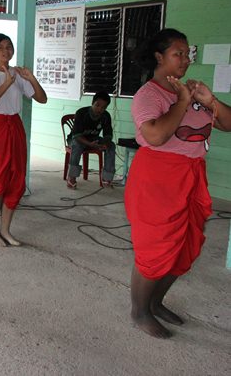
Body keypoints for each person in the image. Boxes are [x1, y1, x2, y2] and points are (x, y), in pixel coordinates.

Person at [125, 28, 231, 339]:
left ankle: (156, 302)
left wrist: (209, 100)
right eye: (178, 54)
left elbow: (227, 123)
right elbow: (156, 136)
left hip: (191, 176)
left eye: (187, 54)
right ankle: (139, 311)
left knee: (186, 245)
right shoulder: (149, 95)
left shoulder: (191, 92)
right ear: (160, 57)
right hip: (157, 180)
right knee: (154, 249)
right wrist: (183, 101)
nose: (185, 60)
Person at [0, 33, 47, 247]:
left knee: (16, 178)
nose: (6, 51)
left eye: (9, 47)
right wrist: (7, 84)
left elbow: (42, 99)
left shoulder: (18, 73)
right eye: (1, 47)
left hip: (14, 125)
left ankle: (6, 230)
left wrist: (31, 77)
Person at [66, 91, 116, 189]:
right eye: (97, 105)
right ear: (92, 103)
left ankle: (107, 178)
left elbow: (108, 135)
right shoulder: (81, 113)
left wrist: (106, 143)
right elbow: (77, 136)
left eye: (103, 107)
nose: (100, 109)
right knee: (77, 145)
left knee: (111, 146)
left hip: (94, 140)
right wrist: (90, 144)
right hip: (77, 139)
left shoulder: (106, 116)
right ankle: (71, 178)